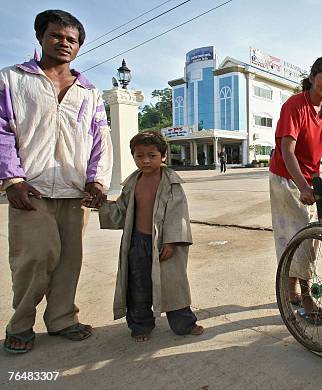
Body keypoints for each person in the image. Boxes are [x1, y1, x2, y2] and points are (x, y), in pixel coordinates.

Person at [0, 10, 112, 354]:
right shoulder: (12, 79)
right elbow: (2, 130)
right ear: (40, 37)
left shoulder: (89, 92)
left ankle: (62, 318)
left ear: (79, 47)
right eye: (56, 36)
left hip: (74, 191)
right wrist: (12, 179)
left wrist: (97, 181)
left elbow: (99, 138)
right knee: (33, 258)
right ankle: (20, 324)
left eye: (72, 40)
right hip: (29, 190)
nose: (64, 43)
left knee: (69, 259)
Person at [85, 131, 204, 341]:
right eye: (140, 156)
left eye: (152, 155)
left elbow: (178, 215)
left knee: (173, 284)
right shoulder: (132, 183)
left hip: (165, 244)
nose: (146, 160)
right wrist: (102, 205)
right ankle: (140, 326)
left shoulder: (171, 184)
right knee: (138, 285)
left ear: (163, 156)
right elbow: (121, 210)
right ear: (133, 156)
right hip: (137, 242)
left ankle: (184, 323)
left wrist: (171, 241)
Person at [269, 56, 322, 324]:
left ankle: (295, 286)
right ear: (312, 78)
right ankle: (302, 293)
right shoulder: (294, 106)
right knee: (297, 233)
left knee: (312, 236)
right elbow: (286, 151)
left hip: (310, 176)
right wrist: (302, 186)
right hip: (285, 176)